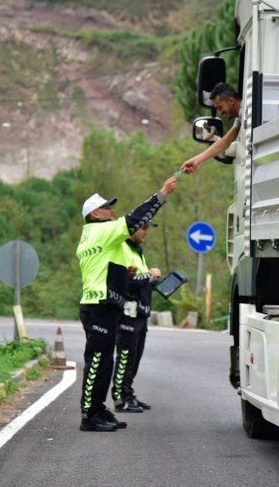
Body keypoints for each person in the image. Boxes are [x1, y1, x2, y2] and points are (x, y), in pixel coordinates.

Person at [76, 176, 177, 432]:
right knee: (98, 361)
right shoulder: (101, 230)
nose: (112, 210)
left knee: (105, 361)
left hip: (105, 305)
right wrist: (162, 193)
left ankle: (98, 408)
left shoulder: (95, 235)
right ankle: (89, 414)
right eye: (108, 207)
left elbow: (105, 267)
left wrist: (126, 276)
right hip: (98, 305)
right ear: (95, 214)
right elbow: (134, 218)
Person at [111, 220, 159, 413]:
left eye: (149, 228)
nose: (147, 232)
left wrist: (152, 281)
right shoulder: (122, 248)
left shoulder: (137, 250)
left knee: (135, 357)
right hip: (128, 312)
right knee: (125, 356)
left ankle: (128, 393)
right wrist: (149, 276)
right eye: (144, 227)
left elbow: (140, 281)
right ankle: (120, 398)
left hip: (141, 312)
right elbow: (126, 282)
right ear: (132, 228)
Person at [180, 82, 241, 174]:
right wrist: (197, 160)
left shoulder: (246, 112)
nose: (220, 113)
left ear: (231, 101)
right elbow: (225, 141)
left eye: (220, 107)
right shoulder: (239, 118)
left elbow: (225, 142)